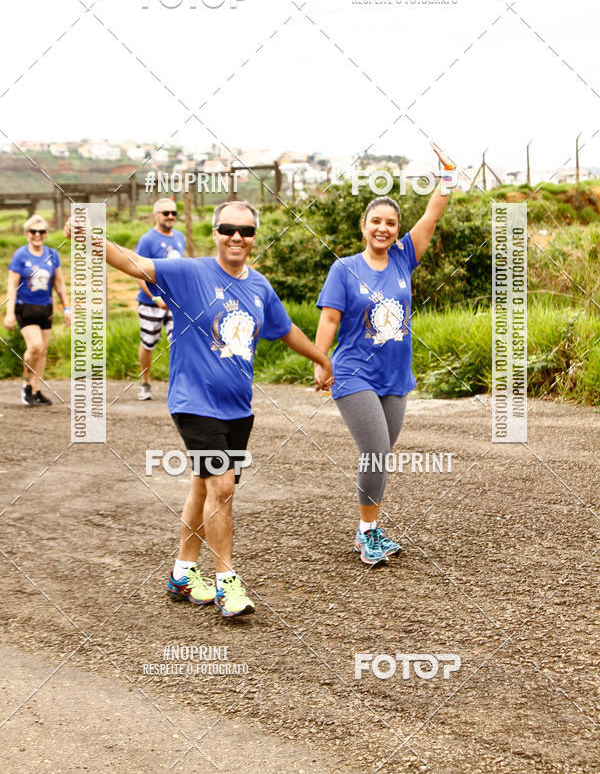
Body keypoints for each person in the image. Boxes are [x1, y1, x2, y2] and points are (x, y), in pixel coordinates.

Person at [65, 200, 333, 617]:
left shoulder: (260, 287)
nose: (236, 237)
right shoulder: (190, 273)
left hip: (238, 408)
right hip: (193, 402)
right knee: (222, 487)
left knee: (203, 486)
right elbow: (135, 263)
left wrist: (321, 358)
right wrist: (89, 239)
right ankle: (227, 583)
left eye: (245, 231)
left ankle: (182, 573)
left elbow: (284, 330)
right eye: (227, 228)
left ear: (254, 237)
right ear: (215, 232)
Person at [314, 143, 457, 565]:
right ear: (364, 226)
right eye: (376, 221)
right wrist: (321, 361)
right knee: (375, 450)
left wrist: (448, 173)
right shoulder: (344, 269)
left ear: (397, 229)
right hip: (353, 374)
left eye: (391, 223)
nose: (384, 228)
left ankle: (370, 529)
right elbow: (328, 322)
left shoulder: (404, 258)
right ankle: (366, 534)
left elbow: (432, 214)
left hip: (395, 376)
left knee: (381, 454)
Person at [5, 214, 71, 406]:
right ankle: (26, 384)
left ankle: (37, 389)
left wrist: (67, 307)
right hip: (25, 307)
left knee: (42, 351)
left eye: (41, 232)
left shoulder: (52, 254)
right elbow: (11, 285)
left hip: (45, 308)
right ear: (27, 234)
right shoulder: (20, 256)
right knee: (35, 347)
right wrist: (9, 313)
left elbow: (59, 284)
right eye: (33, 231)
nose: (37, 235)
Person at [135, 197, 186, 401]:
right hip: (151, 303)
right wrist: (156, 298)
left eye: (174, 213)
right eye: (166, 213)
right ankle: (145, 382)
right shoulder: (147, 240)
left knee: (179, 341)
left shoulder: (180, 237)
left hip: (175, 303)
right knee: (149, 343)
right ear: (156, 215)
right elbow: (137, 273)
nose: (171, 216)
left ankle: (179, 384)